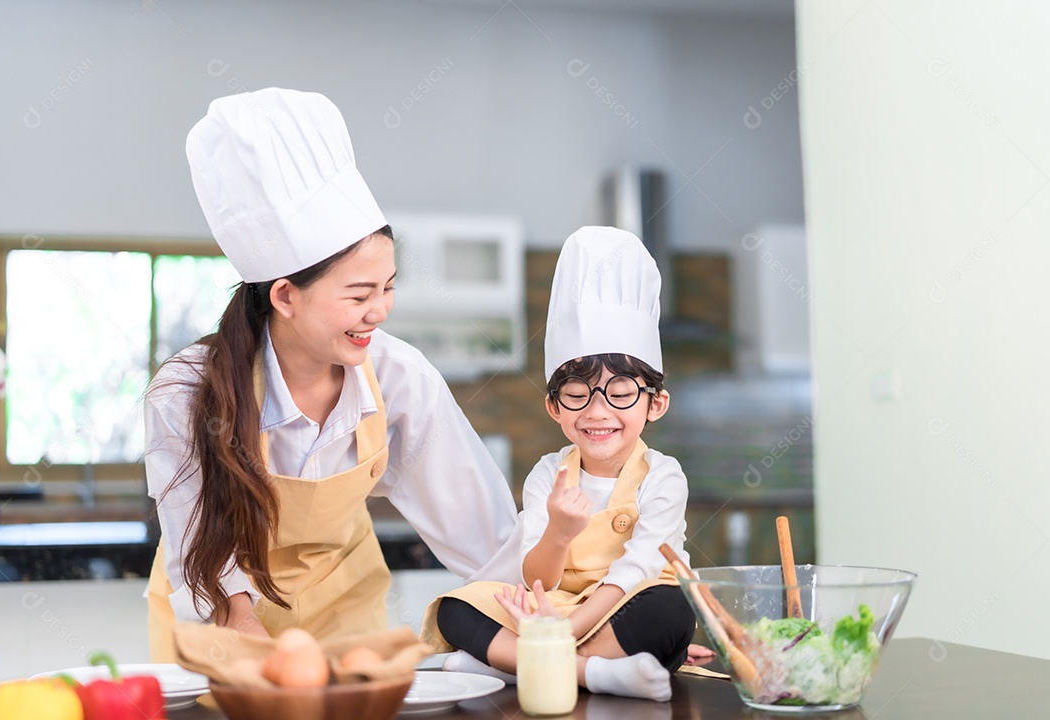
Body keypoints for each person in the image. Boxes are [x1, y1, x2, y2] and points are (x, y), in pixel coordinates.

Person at [144, 88, 519, 661]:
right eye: (359, 294)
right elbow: (211, 572)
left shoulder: (398, 379)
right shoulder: (185, 393)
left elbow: (487, 537)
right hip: (222, 616)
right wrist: (271, 669)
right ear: (286, 296)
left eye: (389, 288)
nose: (380, 312)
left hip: (348, 615)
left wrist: (570, 630)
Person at [420, 226, 698, 702]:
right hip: (555, 606)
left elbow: (636, 571)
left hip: (623, 607)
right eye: (576, 395)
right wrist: (560, 534)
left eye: (622, 393)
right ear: (554, 408)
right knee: (456, 608)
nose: (597, 412)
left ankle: (517, 664)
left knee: (670, 610)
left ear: (655, 404)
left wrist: (566, 628)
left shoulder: (664, 477)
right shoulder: (550, 474)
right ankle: (595, 673)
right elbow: (538, 580)